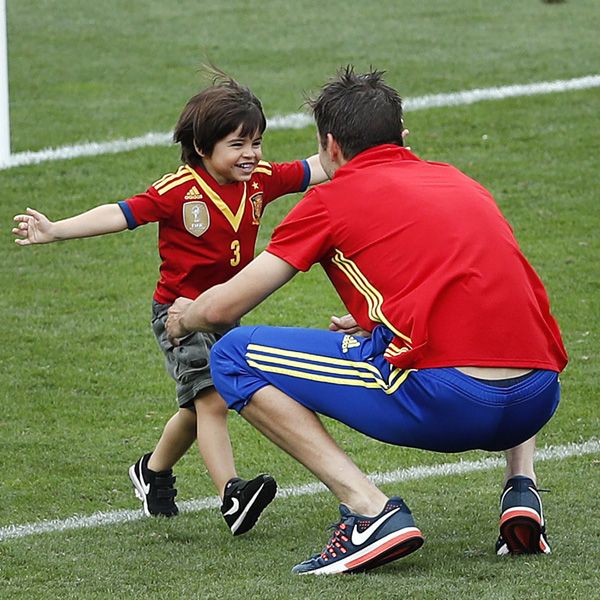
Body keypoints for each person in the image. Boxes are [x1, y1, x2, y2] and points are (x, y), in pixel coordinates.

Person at [164, 65, 568, 574]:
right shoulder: (459, 180)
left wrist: (184, 318)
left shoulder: (329, 200)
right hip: (538, 397)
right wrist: (382, 322)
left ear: (330, 147)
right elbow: (474, 287)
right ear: (402, 136)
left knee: (231, 355)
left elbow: (224, 308)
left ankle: (368, 511)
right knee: (504, 318)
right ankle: (522, 488)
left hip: (452, 402)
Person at [12, 68, 327, 535]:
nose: (251, 154)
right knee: (214, 398)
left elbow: (318, 167)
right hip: (178, 315)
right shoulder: (178, 190)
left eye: (256, 142)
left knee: (195, 406)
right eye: (238, 144)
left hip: (224, 309)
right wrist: (57, 229)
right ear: (203, 148)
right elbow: (119, 214)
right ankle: (232, 495)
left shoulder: (260, 180)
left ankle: (152, 471)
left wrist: (376, 147)